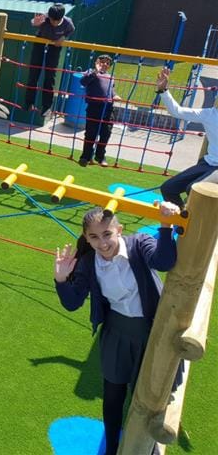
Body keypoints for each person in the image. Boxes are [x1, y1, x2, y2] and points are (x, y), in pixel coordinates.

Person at [54, 202, 182, 455]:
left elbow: (164, 261)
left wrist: (166, 226)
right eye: (94, 237)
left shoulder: (138, 243)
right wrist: (61, 279)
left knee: (148, 395)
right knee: (113, 396)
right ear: (87, 239)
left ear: (119, 230)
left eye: (107, 234)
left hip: (152, 333)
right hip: (117, 333)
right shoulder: (89, 262)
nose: (102, 243)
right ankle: (112, 445)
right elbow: (72, 303)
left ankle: (149, 444)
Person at [156, 67, 218, 207]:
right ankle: (182, 217)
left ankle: (192, 219)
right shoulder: (210, 114)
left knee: (194, 189)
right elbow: (177, 111)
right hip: (208, 163)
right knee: (168, 188)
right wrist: (163, 90)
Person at [23, 3, 75, 117]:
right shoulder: (44, 18)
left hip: (55, 46)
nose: (54, 23)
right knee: (34, 73)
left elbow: (71, 30)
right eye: (52, 20)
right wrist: (34, 22)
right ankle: (29, 102)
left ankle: (47, 106)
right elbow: (33, 22)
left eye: (57, 21)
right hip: (40, 42)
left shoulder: (68, 23)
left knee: (50, 76)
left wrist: (63, 37)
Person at [79, 55, 120, 167]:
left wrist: (115, 95)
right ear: (97, 62)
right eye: (102, 62)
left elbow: (112, 90)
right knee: (90, 133)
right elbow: (83, 82)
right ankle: (85, 156)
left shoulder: (110, 77)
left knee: (105, 133)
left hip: (108, 108)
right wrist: (95, 71)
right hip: (94, 107)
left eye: (107, 63)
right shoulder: (91, 72)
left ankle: (100, 156)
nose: (105, 65)